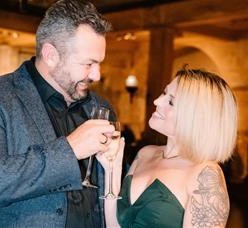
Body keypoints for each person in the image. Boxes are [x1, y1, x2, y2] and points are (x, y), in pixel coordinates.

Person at [0, 0, 115, 227]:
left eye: (99, 64)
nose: (97, 75)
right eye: (88, 64)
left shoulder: (100, 108)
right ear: (50, 55)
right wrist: (69, 150)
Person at [97, 67, 238, 228]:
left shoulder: (205, 173)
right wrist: (111, 170)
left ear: (196, 117)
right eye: (164, 93)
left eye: (171, 101)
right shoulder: (145, 154)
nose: (157, 101)